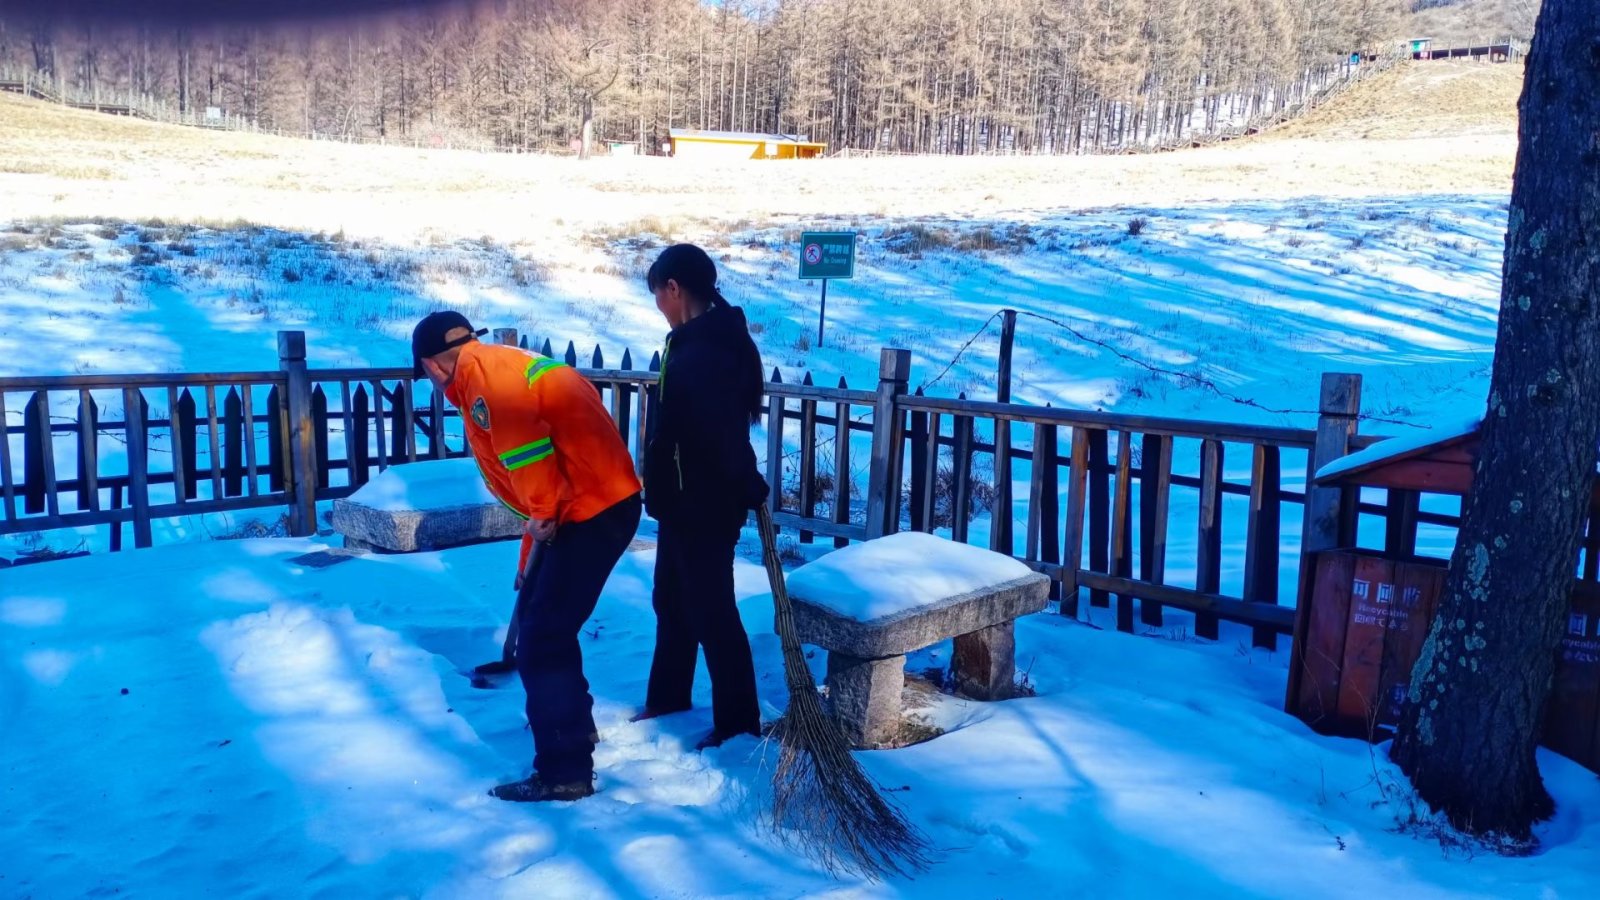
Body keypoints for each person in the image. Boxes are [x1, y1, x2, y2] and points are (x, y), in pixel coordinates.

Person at [412, 310, 642, 802]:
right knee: (545, 620)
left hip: (590, 510)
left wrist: (540, 519)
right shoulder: (500, 365)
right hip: (591, 503)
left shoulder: (485, 382)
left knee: (543, 639)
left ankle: (564, 770)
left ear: (432, 365)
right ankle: (574, 729)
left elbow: (529, 456)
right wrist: (529, 557)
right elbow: (541, 470)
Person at [635, 244, 768, 750]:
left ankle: (738, 723)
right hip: (681, 500)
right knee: (671, 600)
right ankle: (668, 695)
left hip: (705, 504)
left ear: (674, 289)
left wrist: (745, 482)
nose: (658, 306)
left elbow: (720, 434)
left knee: (712, 611)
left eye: (658, 295)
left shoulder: (708, 349)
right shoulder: (694, 339)